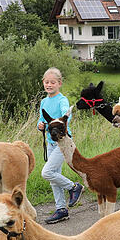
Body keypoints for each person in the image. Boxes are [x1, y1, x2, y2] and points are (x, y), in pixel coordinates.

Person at [37, 68, 83, 224]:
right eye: (46, 82)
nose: (49, 85)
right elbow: (41, 118)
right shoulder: (44, 101)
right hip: (51, 142)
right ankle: (61, 209)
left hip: (63, 142)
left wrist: (60, 118)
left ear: (59, 83)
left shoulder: (62, 100)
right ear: (43, 82)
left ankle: (74, 187)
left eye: (52, 82)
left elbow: (65, 115)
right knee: (53, 177)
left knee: (47, 172)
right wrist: (41, 125)